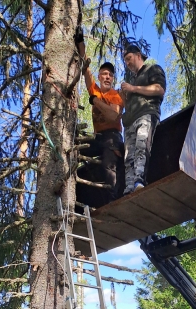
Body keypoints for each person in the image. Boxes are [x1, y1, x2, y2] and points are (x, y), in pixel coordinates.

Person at [75, 32, 124, 203]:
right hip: (98, 138)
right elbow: (85, 69)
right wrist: (81, 43)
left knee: (108, 165)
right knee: (74, 147)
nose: (107, 77)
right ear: (100, 76)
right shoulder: (95, 89)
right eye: (104, 74)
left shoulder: (116, 96)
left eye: (110, 75)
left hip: (112, 138)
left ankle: (114, 200)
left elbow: (113, 115)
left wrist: (95, 101)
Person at [121, 43, 166, 194]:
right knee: (128, 157)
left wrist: (133, 89)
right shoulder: (132, 80)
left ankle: (139, 181)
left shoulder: (153, 69)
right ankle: (128, 187)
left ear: (138, 55)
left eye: (129, 58)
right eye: (125, 61)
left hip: (146, 114)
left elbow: (159, 90)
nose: (127, 63)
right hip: (129, 122)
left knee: (141, 147)